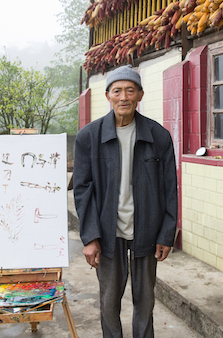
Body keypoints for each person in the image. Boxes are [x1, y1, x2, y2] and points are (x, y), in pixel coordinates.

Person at [73, 64, 178, 338]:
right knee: (109, 301)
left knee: (145, 301)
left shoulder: (159, 137)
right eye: (117, 91)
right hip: (108, 232)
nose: (123, 97)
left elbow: (170, 188)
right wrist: (90, 237)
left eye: (130, 90)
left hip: (148, 228)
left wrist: (167, 233)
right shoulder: (89, 137)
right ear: (108, 95)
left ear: (139, 95)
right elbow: (82, 190)